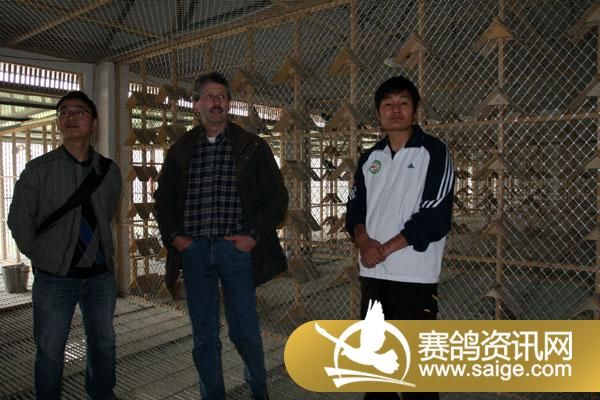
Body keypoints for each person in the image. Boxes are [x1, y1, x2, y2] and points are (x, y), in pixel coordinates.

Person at [154, 71, 288, 400]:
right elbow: (164, 201)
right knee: (204, 334)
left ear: (229, 103)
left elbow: (276, 198)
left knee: (245, 330)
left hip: (236, 250)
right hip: (195, 251)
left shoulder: (253, 147)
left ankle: (259, 392)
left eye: (223, 96)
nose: (217, 102)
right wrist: (177, 238)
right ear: (196, 104)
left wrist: (252, 236)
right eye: (209, 96)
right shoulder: (181, 150)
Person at [8, 90, 122, 400]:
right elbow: (19, 221)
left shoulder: (109, 172)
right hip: (55, 278)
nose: (70, 116)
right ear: (58, 122)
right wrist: (43, 256)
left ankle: (101, 394)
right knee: (50, 349)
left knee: (104, 343)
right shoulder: (38, 170)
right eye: (64, 112)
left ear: (94, 122)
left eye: (79, 111)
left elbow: (107, 213)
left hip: (100, 276)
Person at [345, 76, 454, 400]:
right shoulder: (370, 158)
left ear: (415, 110)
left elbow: (435, 217)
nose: (395, 110)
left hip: (413, 277)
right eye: (388, 105)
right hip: (373, 276)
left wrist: (385, 248)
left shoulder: (433, 152)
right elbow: (355, 208)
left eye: (403, 103)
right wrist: (364, 242)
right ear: (379, 113)